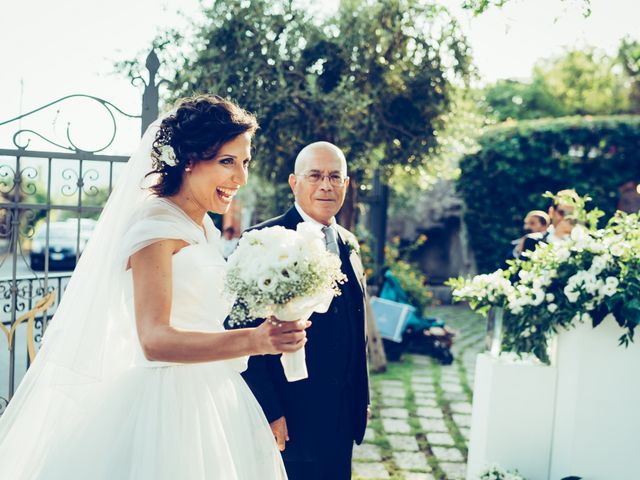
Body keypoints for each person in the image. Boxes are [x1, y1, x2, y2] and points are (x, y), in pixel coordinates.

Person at [0, 95, 309, 479]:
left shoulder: (202, 227)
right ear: (190, 159)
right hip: (167, 405)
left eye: (244, 163)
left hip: (217, 394)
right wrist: (256, 340)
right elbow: (155, 340)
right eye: (227, 162)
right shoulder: (156, 226)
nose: (240, 178)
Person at [238, 142, 370, 480]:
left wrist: (360, 397)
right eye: (315, 175)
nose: (326, 185)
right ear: (295, 182)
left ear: (346, 184)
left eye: (334, 177)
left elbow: (356, 329)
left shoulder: (348, 242)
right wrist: (268, 411)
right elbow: (239, 333)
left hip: (341, 420)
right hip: (290, 420)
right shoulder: (261, 240)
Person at [521, 189, 580, 256]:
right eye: (561, 213)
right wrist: (557, 236)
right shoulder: (532, 241)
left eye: (570, 214)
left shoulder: (583, 242)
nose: (566, 218)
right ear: (551, 212)